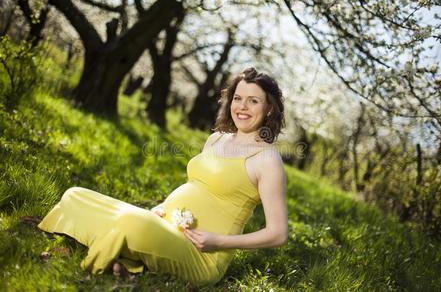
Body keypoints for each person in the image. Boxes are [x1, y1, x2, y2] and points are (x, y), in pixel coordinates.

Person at [38, 67, 288, 286]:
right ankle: (130, 256)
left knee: (130, 223)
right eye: (238, 98)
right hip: (165, 225)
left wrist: (219, 241)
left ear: (268, 109)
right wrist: (162, 207)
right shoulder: (216, 139)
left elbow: (278, 233)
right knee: (75, 195)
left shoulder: (267, 160)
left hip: (201, 254)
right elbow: (197, 185)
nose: (242, 107)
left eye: (253, 101)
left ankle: (125, 251)